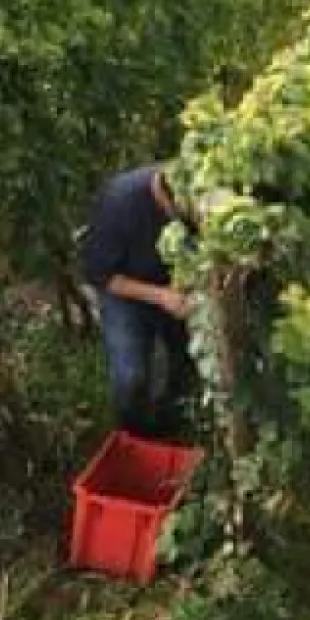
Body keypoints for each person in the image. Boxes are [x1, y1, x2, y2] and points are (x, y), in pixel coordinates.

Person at [78, 162, 195, 435]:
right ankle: (135, 435)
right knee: (130, 376)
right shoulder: (119, 204)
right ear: (164, 196)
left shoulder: (194, 190)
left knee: (186, 357)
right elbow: (101, 276)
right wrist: (161, 296)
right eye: (178, 215)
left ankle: (172, 422)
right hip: (124, 290)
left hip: (173, 285)